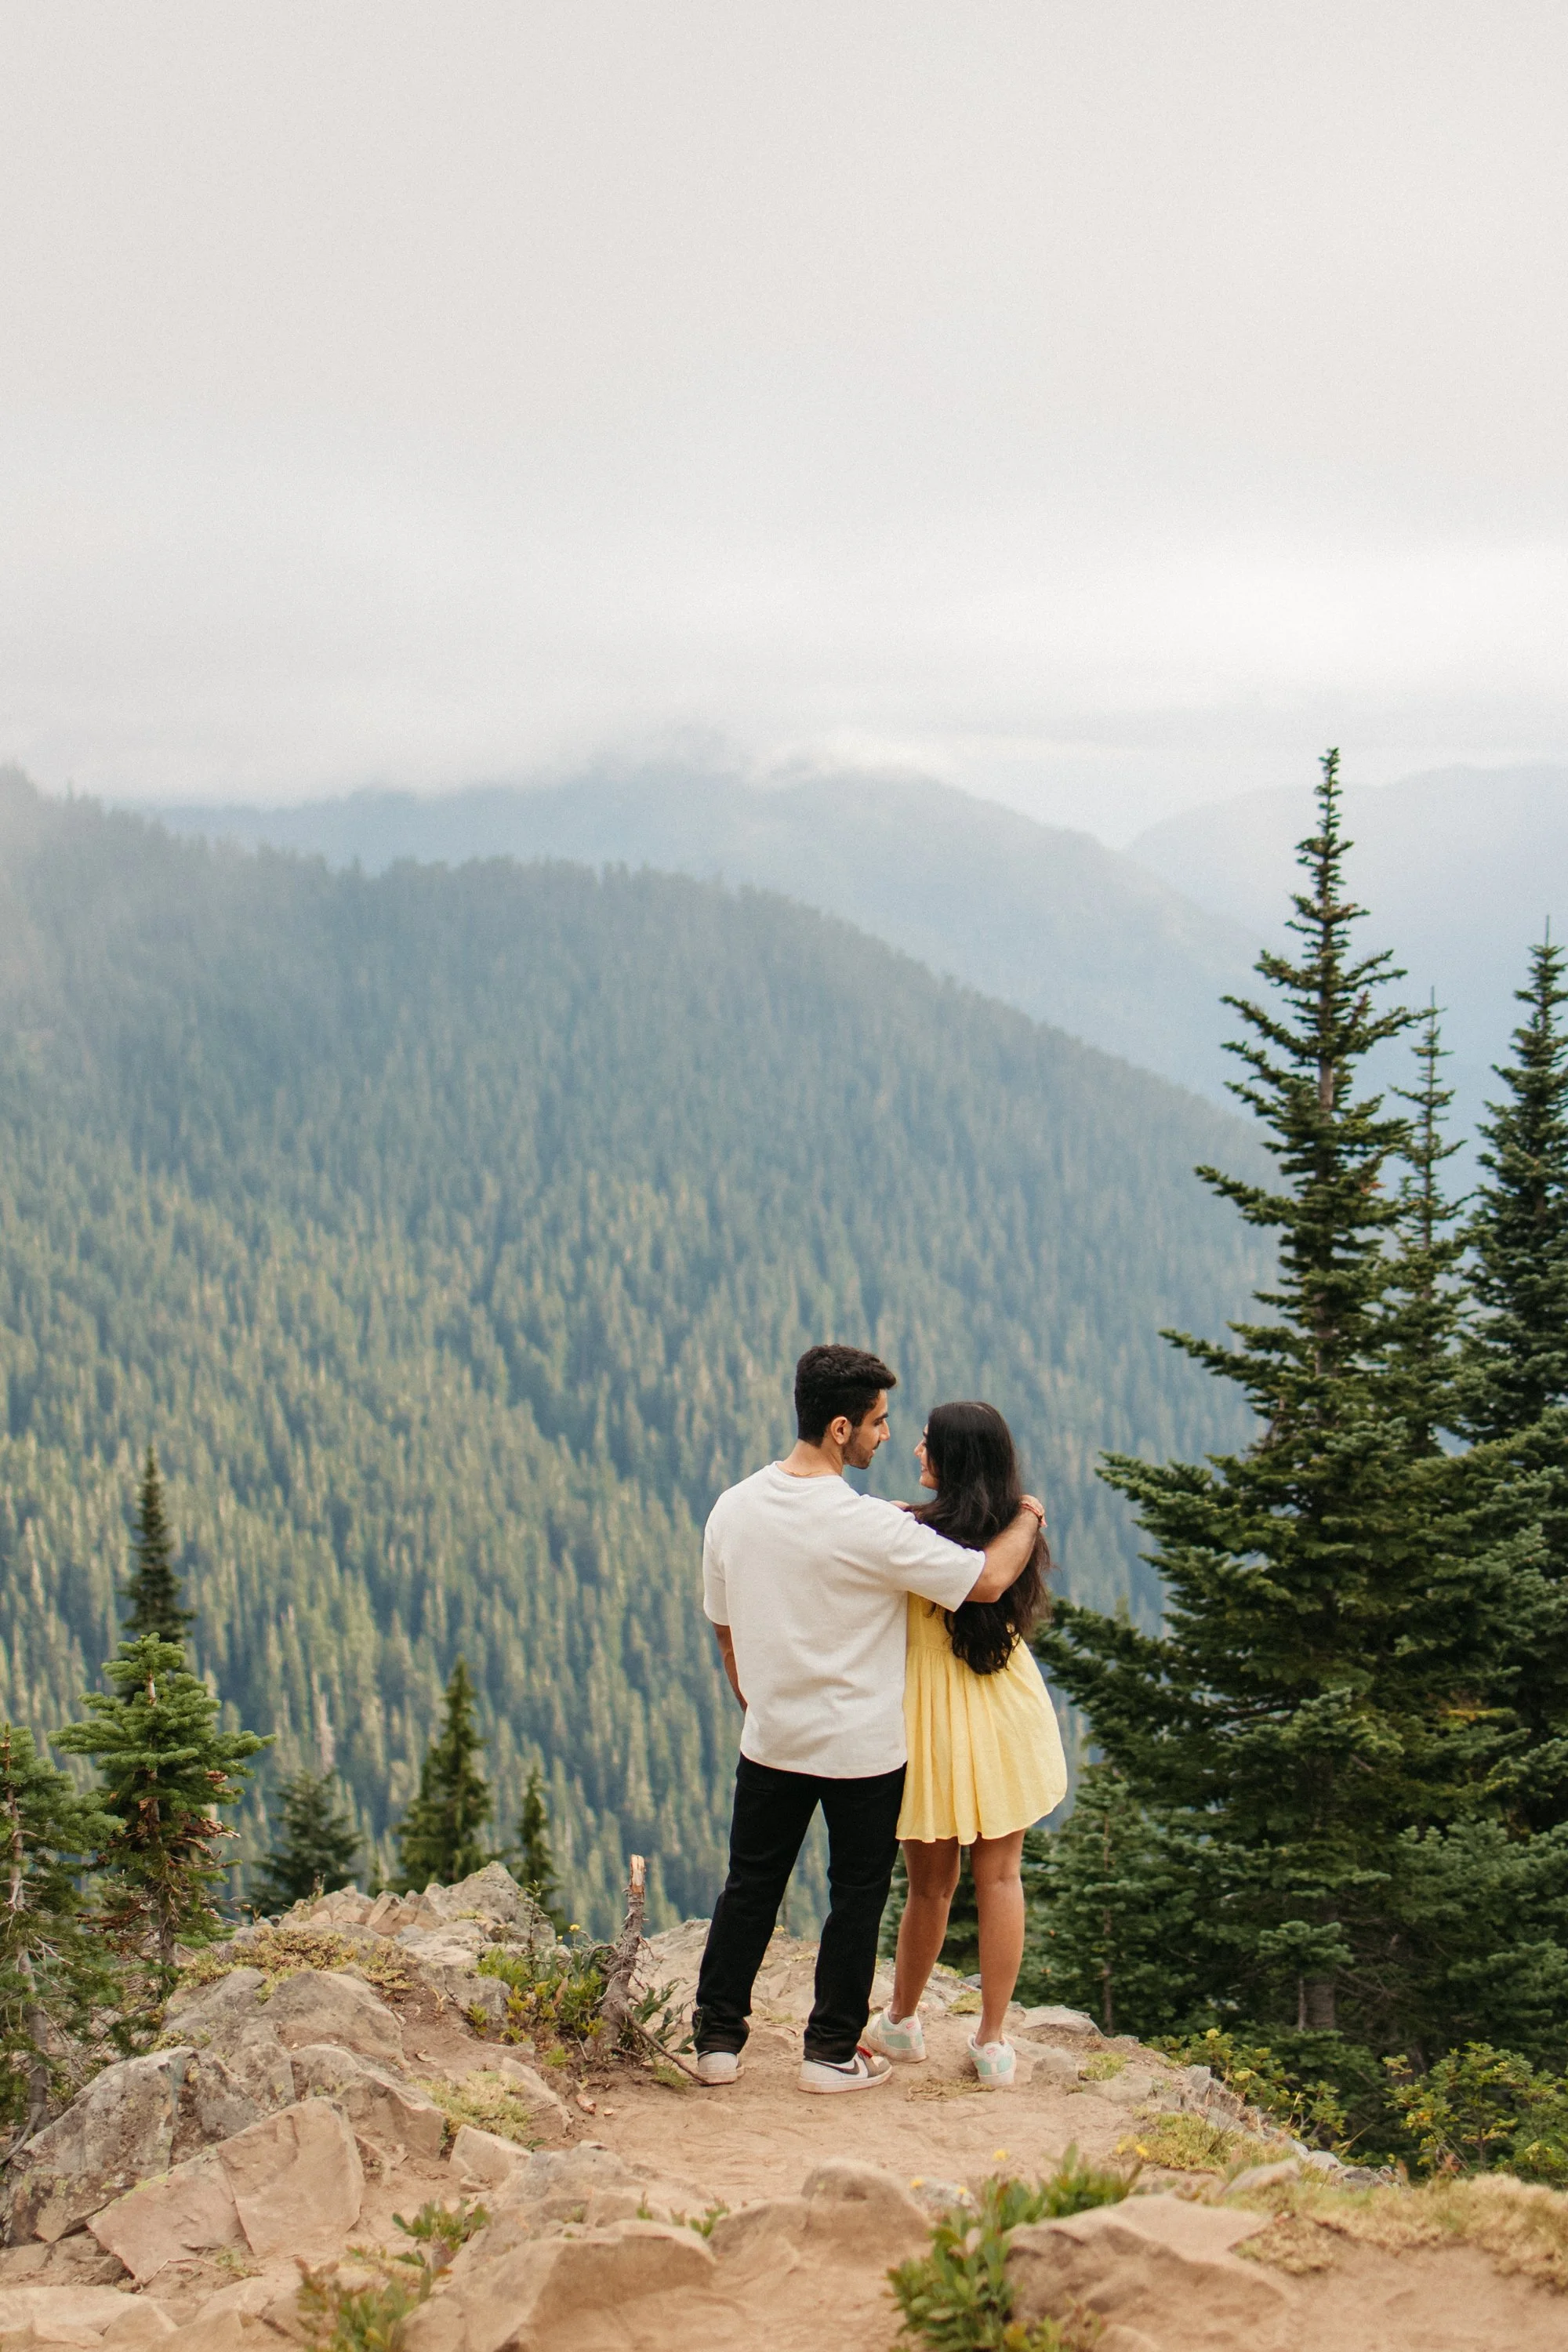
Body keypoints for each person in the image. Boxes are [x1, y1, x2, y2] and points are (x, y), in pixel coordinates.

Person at [694, 1345, 1044, 2094]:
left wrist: (752, 1695)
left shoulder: (734, 1506)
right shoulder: (870, 1529)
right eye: (879, 1423)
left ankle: (717, 2042)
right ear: (842, 1427)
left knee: (750, 1886)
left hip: (773, 1739)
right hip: (861, 1750)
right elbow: (986, 1580)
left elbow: (723, 1626)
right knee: (854, 1898)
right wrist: (1029, 1516)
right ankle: (829, 2053)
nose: (888, 1437)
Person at [861, 1401, 1067, 2089]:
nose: (915, 1452)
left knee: (930, 1887)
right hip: (1004, 1706)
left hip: (932, 1719)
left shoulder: (910, 1533)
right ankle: (992, 2040)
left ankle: (901, 2019)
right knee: (1002, 1877)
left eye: (927, 1446)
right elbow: (996, 1575)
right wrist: (1029, 1514)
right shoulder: (1013, 1534)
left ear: (953, 1462)